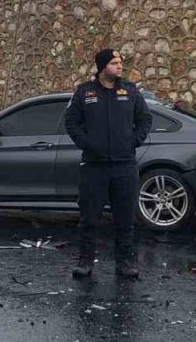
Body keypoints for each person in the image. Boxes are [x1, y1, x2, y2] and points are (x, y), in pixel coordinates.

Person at [64, 49, 152, 280]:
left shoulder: (130, 91)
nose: (119, 66)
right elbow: (71, 122)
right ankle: (85, 262)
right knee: (89, 217)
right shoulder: (85, 92)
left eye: (120, 62)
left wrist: (133, 141)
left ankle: (124, 262)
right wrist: (86, 143)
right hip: (94, 165)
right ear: (103, 67)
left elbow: (145, 119)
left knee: (125, 218)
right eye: (114, 63)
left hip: (124, 165)